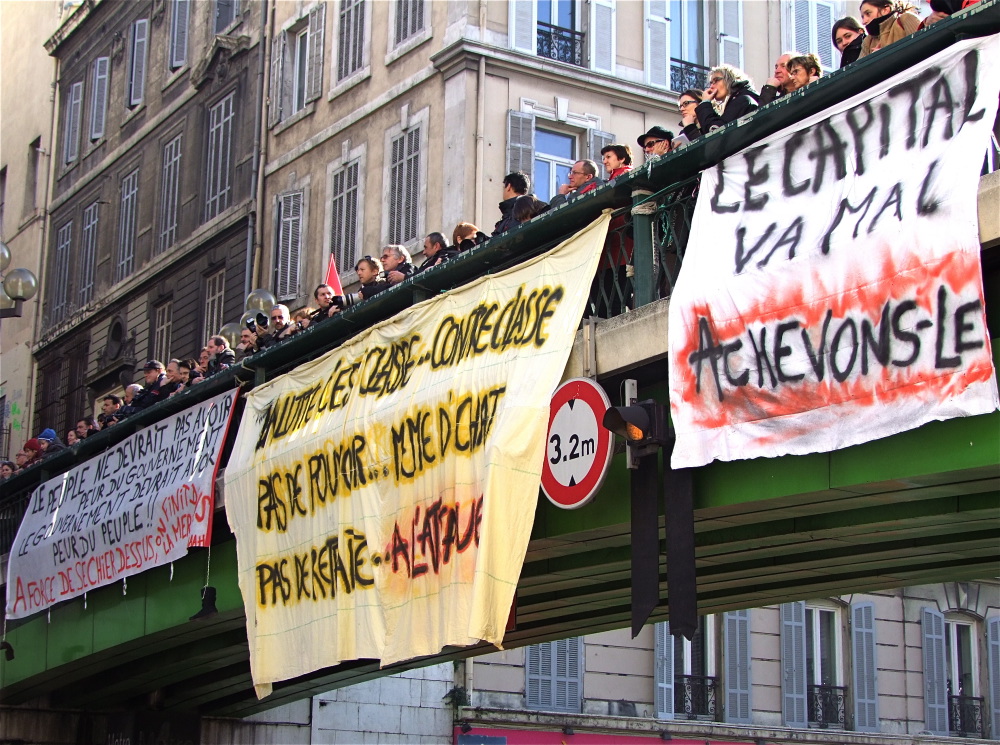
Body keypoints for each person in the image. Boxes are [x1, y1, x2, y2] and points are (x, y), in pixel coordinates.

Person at [691, 65, 760, 136]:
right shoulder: (738, 100)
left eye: (716, 80)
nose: (711, 87)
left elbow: (716, 132)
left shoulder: (743, 100)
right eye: (711, 83)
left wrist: (704, 103)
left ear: (730, 79)